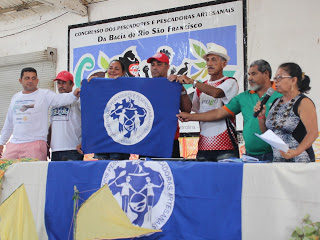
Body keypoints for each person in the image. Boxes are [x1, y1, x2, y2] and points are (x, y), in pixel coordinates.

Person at [177, 60, 282, 161]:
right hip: (250, 155)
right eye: (249, 74)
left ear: (266, 74)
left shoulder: (281, 95)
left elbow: (217, 93)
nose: (250, 78)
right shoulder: (243, 97)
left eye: (254, 74)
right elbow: (219, 113)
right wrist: (190, 117)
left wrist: (192, 81)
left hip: (276, 154)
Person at [169, 43, 239, 161]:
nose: (209, 64)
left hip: (225, 146)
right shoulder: (201, 87)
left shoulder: (230, 82)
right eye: (207, 60)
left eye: (214, 60)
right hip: (203, 147)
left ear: (224, 64)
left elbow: (217, 93)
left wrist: (192, 81)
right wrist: (181, 89)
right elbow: (193, 111)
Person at [0, 67, 80, 160]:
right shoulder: (15, 97)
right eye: (27, 78)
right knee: (5, 171)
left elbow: (60, 99)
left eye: (33, 78)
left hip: (35, 144)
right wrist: (1, 142)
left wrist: (74, 94)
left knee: (34, 174)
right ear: (20, 80)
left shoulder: (44, 95)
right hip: (14, 144)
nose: (30, 81)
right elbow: (9, 123)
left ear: (37, 81)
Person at [254, 62, 318, 162]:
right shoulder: (276, 102)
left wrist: (296, 151)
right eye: (275, 78)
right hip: (278, 162)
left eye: (279, 78)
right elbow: (269, 134)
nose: (275, 82)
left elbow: (313, 133)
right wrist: (261, 117)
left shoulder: (304, 102)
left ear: (293, 80)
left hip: (300, 161)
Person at [77, 60, 131, 160]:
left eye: (117, 69)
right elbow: (91, 114)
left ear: (123, 72)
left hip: (120, 142)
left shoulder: (128, 87)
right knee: (102, 171)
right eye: (110, 68)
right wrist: (91, 84)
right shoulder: (99, 86)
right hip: (101, 140)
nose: (113, 71)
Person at [146, 52, 192, 158]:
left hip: (169, 139)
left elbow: (187, 110)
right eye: (152, 65)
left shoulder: (174, 85)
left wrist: (181, 88)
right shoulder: (144, 85)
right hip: (147, 140)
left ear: (168, 67)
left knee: (170, 173)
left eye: (159, 64)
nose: (155, 67)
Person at [49, 71, 83, 161]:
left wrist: (84, 142)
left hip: (73, 149)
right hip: (55, 150)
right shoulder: (55, 102)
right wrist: (47, 146)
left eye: (63, 83)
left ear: (72, 85)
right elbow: (51, 126)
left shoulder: (79, 100)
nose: (60, 86)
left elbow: (88, 122)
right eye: (58, 83)